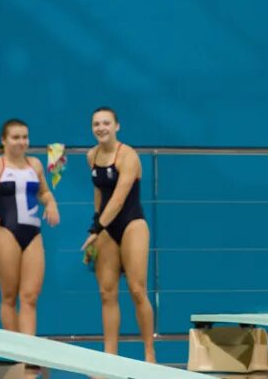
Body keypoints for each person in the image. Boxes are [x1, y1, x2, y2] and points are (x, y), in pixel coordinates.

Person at [0, 119, 60, 334]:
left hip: (33, 234)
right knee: (9, 296)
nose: (21, 142)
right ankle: (15, 356)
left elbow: (44, 192)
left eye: (25, 137)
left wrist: (51, 203)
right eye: (15, 137)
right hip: (6, 232)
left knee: (30, 297)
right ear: (3, 140)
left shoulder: (35, 164)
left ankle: (28, 357)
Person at [81, 107, 155, 362]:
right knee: (107, 292)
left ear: (117, 126)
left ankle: (149, 353)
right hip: (105, 226)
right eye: (96, 124)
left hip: (132, 223)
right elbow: (100, 195)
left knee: (136, 289)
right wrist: (97, 228)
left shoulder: (128, 156)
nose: (101, 128)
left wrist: (95, 228)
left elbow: (120, 198)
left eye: (106, 123)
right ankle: (109, 357)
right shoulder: (91, 156)